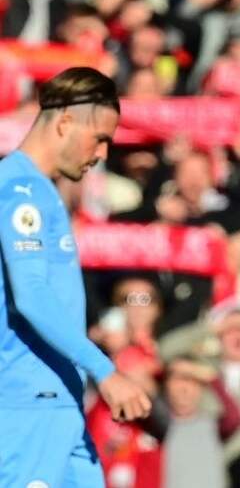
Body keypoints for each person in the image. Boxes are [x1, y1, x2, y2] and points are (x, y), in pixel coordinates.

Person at [0, 67, 152, 487]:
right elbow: (30, 295)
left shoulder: (43, 191)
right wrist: (104, 371)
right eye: (99, 138)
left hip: (61, 401)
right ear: (65, 121)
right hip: (27, 403)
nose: (103, 153)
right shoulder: (19, 191)